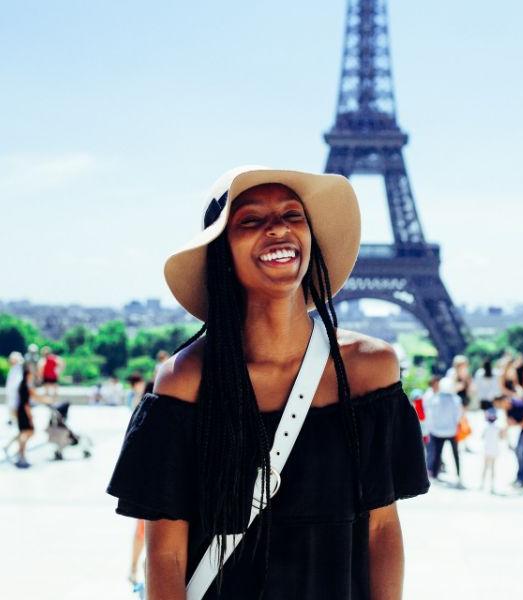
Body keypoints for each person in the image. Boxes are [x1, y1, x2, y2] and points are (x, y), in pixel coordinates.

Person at [106, 166, 430, 600]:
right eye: (251, 221)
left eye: (293, 216)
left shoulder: (370, 371)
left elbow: (383, 529)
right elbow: (166, 556)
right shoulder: (185, 381)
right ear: (222, 252)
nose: (277, 228)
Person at [424, 376, 463, 488]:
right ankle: (458, 474)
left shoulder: (434, 399)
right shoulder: (456, 399)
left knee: (437, 454)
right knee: (455, 454)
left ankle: (435, 475)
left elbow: (431, 416)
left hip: (437, 432)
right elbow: (458, 415)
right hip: (452, 431)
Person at [499, 394, 523, 491]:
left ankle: (522, 481)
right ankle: (519, 478)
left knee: (521, 454)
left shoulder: (520, 406)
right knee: (518, 453)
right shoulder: (507, 409)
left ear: (506, 401)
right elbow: (508, 422)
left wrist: (515, 424)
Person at [479, 408, 505, 494]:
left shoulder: (486, 427)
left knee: (485, 467)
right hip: (495, 450)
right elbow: (502, 437)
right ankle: (492, 485)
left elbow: (482, 437)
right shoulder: (498, 427)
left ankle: (482, 484)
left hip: (487, 450)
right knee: (493, 468)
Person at [5, 351, 24, 426]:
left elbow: (18, 381)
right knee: (12, 406)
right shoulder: (14, 367)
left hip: (14, 392)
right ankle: (12, 419)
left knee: (14, 407)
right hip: (11, 392)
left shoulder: (18, 368)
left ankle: (16, 421)